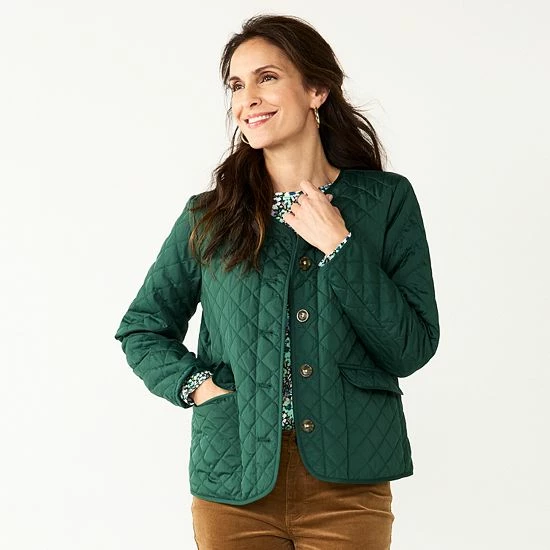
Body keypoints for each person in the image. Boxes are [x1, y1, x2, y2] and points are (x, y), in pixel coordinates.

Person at [114, 13, 440, 550]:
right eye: (237, 86)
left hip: (349, 484)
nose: (248, 99)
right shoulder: (210, 216)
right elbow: (143, 327)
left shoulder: (385, 202)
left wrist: (340, 246)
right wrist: (198, 387)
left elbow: (411, 347)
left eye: (266, 77)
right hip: (233, 481)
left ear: (316, 90)